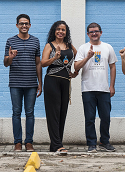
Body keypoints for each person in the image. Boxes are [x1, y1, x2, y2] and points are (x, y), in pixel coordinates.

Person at [74, 22, 117, 153]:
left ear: (101, 32)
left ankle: (105, 141)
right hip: (88, 88)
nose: (94, 33)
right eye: (91, 32)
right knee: (89, 118)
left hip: (104, 89)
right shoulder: (83, 48)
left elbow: (113, 66)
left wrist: (112, 86)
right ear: (88, 34)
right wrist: (87, 57)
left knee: (106, 117)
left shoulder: (108, 47)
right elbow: (76, 67)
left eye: (96, 31)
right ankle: (91, 143)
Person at [4, 14, 42, 152]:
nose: (24, 26)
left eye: (26, 23)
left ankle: (29, 142)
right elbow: (5, 63)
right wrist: (11, 58)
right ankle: (17, 143)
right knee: (16, 112)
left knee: (30, 113)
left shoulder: (36, 41)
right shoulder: (10, 41)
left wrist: (40, 83)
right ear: (17, 25)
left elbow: (38, 63)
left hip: (31, 83)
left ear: (30, 25)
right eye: (21, 24)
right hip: (15, 83)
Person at [41, 20, 78, 155]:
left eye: (63, 29)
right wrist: (55, 57)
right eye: (58, 29)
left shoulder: (70, 46)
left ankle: (55, 145)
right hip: (52, 81)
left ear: (66, 32)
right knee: (53, 113)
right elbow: (43, 63)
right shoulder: (49, 45)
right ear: (54, 31)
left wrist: (75, 72)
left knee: (62, 113)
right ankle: (58, 144)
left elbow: (77, 60)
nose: (60, 32)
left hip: (65, 82)